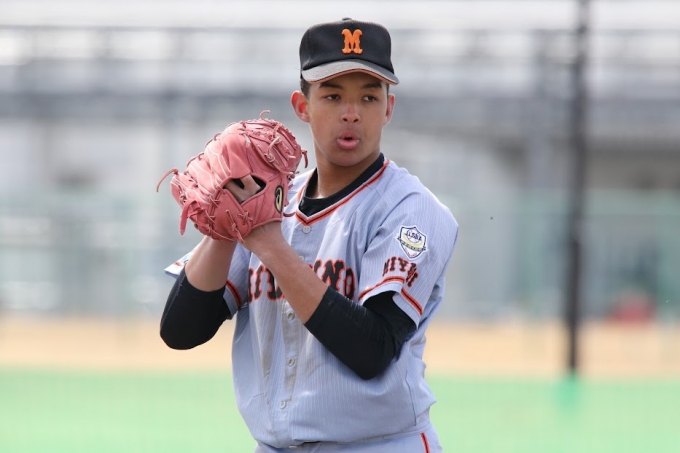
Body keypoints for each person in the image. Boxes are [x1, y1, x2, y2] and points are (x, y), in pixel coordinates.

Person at [160, 17, 459, 452]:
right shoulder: (272, 201)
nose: (351, 113)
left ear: (388, 109)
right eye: (333, 96)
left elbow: (372, 350)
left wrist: (266, 241)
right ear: (302, 106)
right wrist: (225, 224)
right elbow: (182, 331)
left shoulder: (411, 209)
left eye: (369, 97)